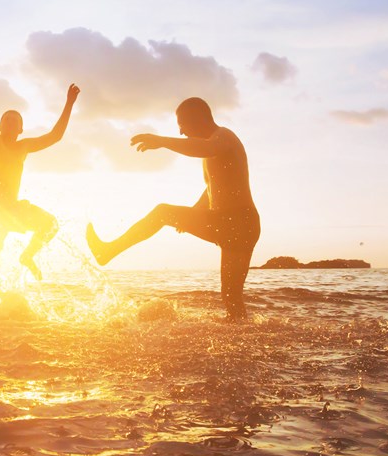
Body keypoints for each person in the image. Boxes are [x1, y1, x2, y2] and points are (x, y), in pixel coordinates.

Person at [86, 97, 260, 321]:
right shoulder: (214, 145)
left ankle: (107, 251)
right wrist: (195, 212)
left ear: (197, 119)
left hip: (235, 221)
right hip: (241, 225)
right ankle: (243, 340)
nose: (180, 131)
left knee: (163, 212)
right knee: (231, 298)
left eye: (182, 124)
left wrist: (161, 141)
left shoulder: (222, 137)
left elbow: (204, 148)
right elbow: (212, 189)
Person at [0, 41, 80, 312]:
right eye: (5, 119)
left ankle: (27, 255)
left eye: (15, 121)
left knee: (51, 225)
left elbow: (55, 136)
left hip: (12, 208)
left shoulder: (23, 147)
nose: (9, 122)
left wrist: (68, 103)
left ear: (20, 129)